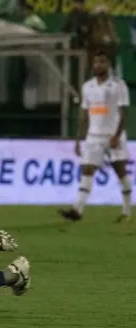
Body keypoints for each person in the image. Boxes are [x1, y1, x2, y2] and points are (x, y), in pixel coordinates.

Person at [59, 51, 131, 222]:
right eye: (95, 62)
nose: (97, 65)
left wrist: (117, 135)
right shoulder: (87, 87)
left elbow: (124, 113)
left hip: (113, 135)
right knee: (87, 170)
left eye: (101, 62)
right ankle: (77, 210)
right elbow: (84, 115)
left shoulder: (118, 85)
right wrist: (78, 140)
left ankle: (127, 210)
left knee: (120, 171)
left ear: (108, 65)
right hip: (93, 136)